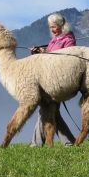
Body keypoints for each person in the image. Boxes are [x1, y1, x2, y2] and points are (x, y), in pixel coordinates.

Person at [29, 13, 77, 147]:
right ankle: (69, 143)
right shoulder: (54, 40)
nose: (52, 30)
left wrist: (48, 54)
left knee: (46, 111)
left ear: (62, 26)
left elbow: (69, 58)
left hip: (59, 81)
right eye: (50, 27)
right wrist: (39, 52)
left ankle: (36, 144)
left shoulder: (69, 40)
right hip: (49, 80)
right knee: (52, 113)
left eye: (54, 27)